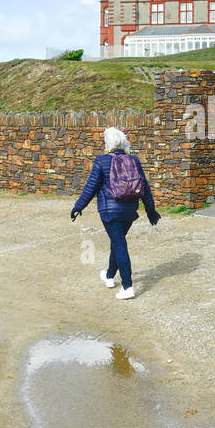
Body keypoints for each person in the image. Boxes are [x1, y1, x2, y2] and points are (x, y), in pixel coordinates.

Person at [70, 127, 160, 299]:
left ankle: (127, 287)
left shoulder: (102, 160)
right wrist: (150, 210)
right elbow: (145, 187)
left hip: (109, 211)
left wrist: (78, 206)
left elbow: (91, 186)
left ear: (108, 142)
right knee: (117, 242)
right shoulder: (133, 159)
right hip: (129, 211)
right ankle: (110, 276)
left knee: (119, 244)